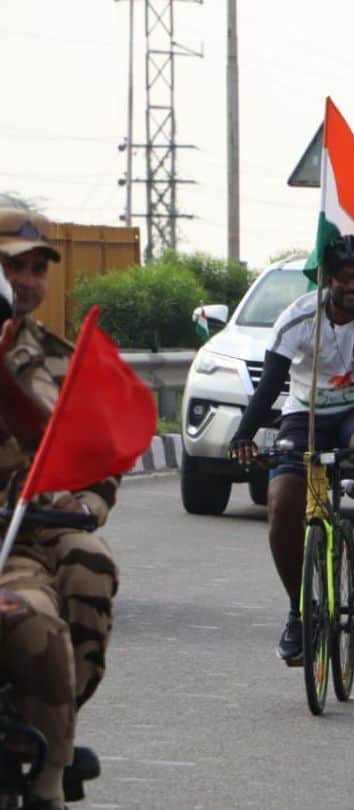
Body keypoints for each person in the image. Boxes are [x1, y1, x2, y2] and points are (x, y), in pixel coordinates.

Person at [230, 234, 354, 663]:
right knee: (282, 500)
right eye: (345, 278)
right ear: (327, 279)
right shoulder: (298, 317)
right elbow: (271, 382)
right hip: (305, 414)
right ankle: (297, 610)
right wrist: (245, 433)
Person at [0, 208, 116, 809]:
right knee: (32, 619)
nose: (26, 279)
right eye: (12, 265)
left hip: (32, 529)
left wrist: (88, 502)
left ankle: (50, 740)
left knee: (87, 565)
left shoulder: (61, 359)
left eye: (37, 267)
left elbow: (96, 455)